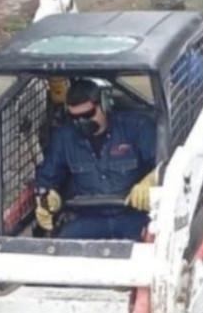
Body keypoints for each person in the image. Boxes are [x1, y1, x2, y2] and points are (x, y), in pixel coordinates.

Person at [34, 78, 158, 240]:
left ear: (104, 105)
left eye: (88, 115)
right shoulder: (64, 137)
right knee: (60, 247)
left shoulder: (137, 127)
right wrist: (48, 197)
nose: (82, 122)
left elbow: (166, 164)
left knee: (155, 241)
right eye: (75, 118)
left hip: (133, 215)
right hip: (87, 218)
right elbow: (47, 179)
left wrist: (151, 180)